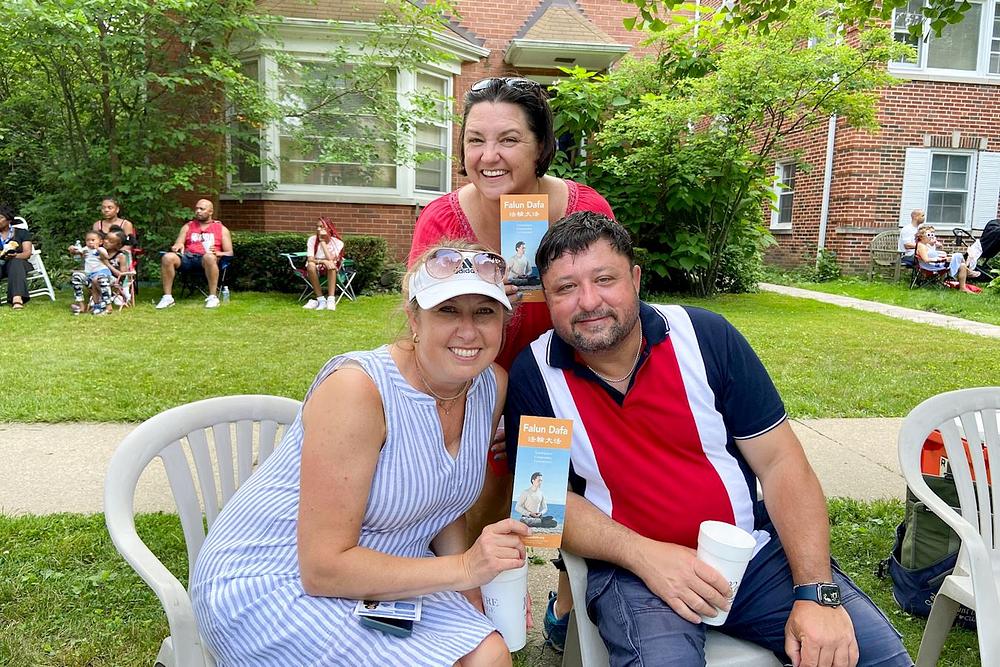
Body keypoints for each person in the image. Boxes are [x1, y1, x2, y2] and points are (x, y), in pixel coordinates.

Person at [506, 211, 911, 667]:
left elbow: (781, 463)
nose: (588, 301)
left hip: (750, 553)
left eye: (605, 279)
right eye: (565, 288)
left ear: (635, 279)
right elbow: (543, 507)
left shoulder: (705, 338)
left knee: (875, 658)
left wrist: (816, 592)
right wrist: (644, 555)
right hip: (634, 572)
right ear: (547, 298)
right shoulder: (536, 374)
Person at [191, 243, 531, 666]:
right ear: (414, 319)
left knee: (490, 654)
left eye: (484, 312)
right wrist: (465, 568)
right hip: (277, 579)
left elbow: (445, 504)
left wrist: (471, 594)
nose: (468, 331)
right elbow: (322, 569)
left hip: (389, 567)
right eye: (447, 311)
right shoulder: (357, 390)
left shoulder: (489, 386)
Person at [408, 77, 616, 649]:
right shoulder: (443, 220)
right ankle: (474, 611)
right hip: (474, 386)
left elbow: (606, 309)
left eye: (508, 139)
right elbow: (426, 326)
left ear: (541, 145)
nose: (489, 156)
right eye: (475, 140)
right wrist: (486, 407)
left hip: (564, 384)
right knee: (481, 503)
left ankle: (566, 604)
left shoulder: (584, 209)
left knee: (568, 499)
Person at [156, 199, 233, 309]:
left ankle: (213, 297)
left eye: (202, 209)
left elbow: (229, 252)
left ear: (211, 212)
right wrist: (178, 245)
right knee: (168, 257)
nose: (198, 211)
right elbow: (178, 243)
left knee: (209, 257)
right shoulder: (188, 226)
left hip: (207, 260)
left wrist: (217, 253)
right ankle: (167, 297)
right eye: (196, 208)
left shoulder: (221, 229)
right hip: (188, 257)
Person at [915, 225, 976, 292]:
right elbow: (926, 260)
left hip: (936, 264)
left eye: (931, 235)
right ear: (921, 237)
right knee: (959, 255)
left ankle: (963, 288)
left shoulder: (924, 245)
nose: (931, 237)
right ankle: (968, 272)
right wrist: (939, 260)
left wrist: (942, 258)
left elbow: (931, 255)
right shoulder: (921, 246)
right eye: (928, 235)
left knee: (962, 265)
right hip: (932, 266)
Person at [68, 231, 116, 315]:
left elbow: (106, 257)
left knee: (98, 279)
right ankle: (82, 305)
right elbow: (76, 253)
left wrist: (97, 249)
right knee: (76, 276)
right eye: (88, 240)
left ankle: (108, 306)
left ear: (100, 242)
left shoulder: (101, 249)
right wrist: (72, 250)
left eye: (93, 240)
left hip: (103, 272)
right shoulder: (85, 249)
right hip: (90, 274)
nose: (90, 242)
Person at [302, 218, 345, 311]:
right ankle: (321, 300)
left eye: (321, 227)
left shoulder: (338, 243)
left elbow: (331, 259)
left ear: (329, 228)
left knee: (331, 265)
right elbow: (310, 259)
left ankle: (331, 300)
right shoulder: (312, 239)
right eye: (317, 226)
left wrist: (322, 242)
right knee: (311, 265)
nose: (318, 229)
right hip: (315, 267)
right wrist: (323, 261)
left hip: (331, 269)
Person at [0, 204, 34, 310]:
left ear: (9, 219)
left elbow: (27, 253)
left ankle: (17, 299)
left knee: (15, 262)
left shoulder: (21, 233)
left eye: (0, 218)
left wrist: (15, 255)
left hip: (19, 264)